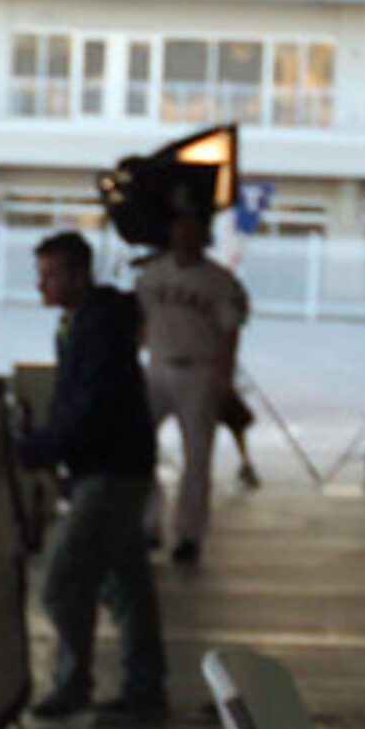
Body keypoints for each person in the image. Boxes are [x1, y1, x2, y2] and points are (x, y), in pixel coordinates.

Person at [17, 231, 169, 721]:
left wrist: (43, 448)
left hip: (110, 470)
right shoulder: (87, 324)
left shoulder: (97, 329)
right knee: (127, 583)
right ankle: (144, 689)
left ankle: (74, 681)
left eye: (51, 274)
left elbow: (89, 408)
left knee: (64, 579)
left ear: (79, 275)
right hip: (115, 466)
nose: (42, 284)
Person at [133, 193, 251, 563]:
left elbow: (231, 329)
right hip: (159, 364)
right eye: (179, 229)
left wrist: (224, 376)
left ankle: (189, 533)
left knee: (197, 457)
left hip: (199, 367)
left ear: (203, 235)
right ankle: (148, 524)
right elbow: (138, 322)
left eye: (192, 229)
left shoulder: (217, 281)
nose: (184, 236)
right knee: (138, 449)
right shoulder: (152, 275)